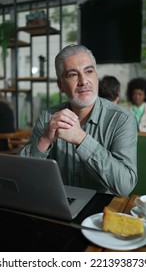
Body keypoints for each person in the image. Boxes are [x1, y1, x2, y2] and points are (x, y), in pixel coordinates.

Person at [19, 44, 137, 197]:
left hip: (101, 212)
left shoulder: (122, 119)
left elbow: (125, 186)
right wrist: (45, 139)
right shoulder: (48, 116)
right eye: (73, 75)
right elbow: (23, 176)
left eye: (89, 71)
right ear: (61, 85)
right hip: (58, 203)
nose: (83, 81)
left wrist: (81, 139)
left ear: (96, 77)